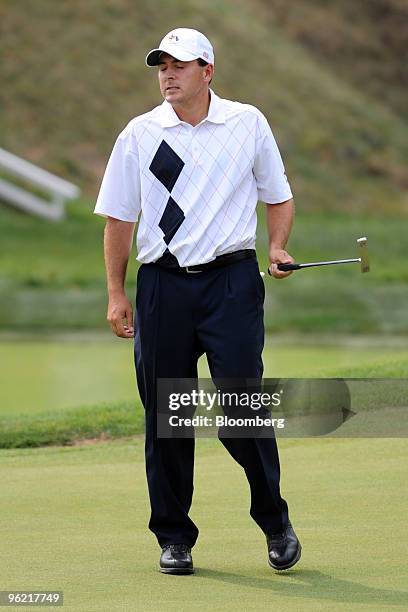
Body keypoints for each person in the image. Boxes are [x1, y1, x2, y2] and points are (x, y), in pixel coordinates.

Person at [94, 27, 301, 575]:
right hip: (161, 285)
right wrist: (117, 292)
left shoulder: (246, 122)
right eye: (162, 65)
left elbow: (277, 196)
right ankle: (174, 537)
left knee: (241, 409)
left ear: (208, 71)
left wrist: (277, 246)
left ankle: (274, 518)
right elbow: (119, 217)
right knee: (167, 416)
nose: (168, 74)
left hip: (231, 283)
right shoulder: (138, 134)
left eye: (179, 66)